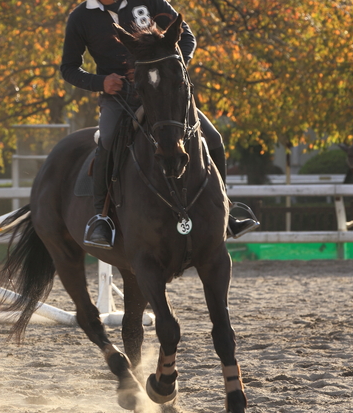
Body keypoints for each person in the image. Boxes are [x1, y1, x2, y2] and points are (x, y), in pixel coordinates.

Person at [60, 0, 259, 249]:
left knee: (214, 138)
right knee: (109, 139)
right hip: (121, 97)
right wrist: (101, 82)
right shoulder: (80, 17)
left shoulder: (150, 1)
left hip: (163, 95)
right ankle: (102, 218)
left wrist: (174, 68)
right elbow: (68, 68)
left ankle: (227, 211)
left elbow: (186, 38)